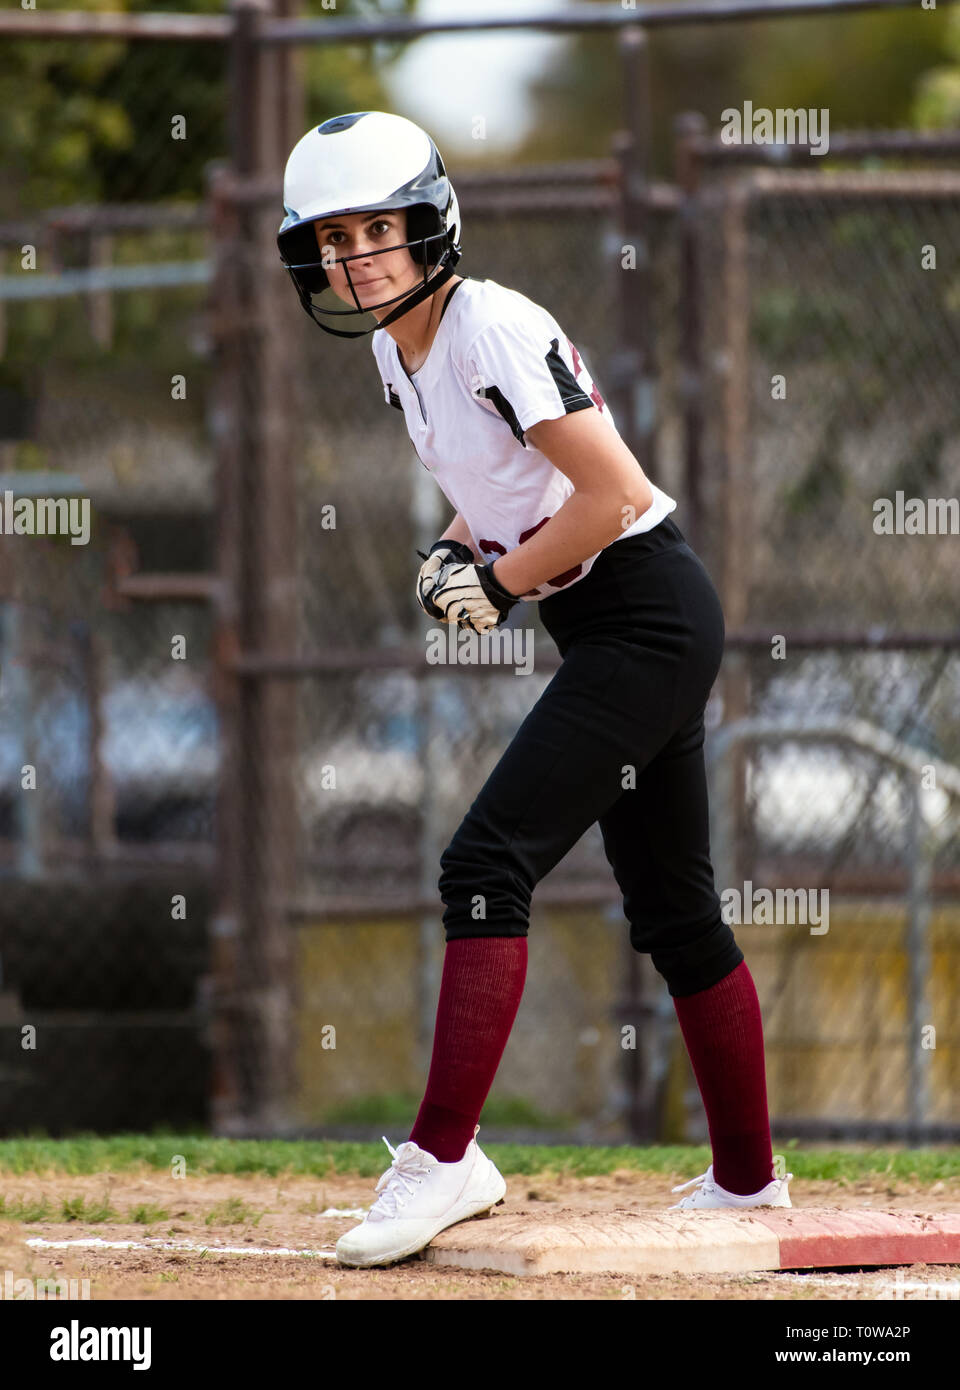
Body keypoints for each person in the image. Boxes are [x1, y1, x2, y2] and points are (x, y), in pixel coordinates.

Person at [277, 111, 793, 1269]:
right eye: (333, 237)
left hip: (646, 614)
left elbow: (611, 493)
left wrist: (501, 586)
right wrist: (461, 548)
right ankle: (750, 1182)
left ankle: (445, 1158)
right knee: (675, 911)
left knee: (484, 861)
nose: (357, 255)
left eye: (379, 228)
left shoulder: (488, 326)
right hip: (615, 621)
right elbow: (502, 476)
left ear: (429, 227)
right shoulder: (391, 350)